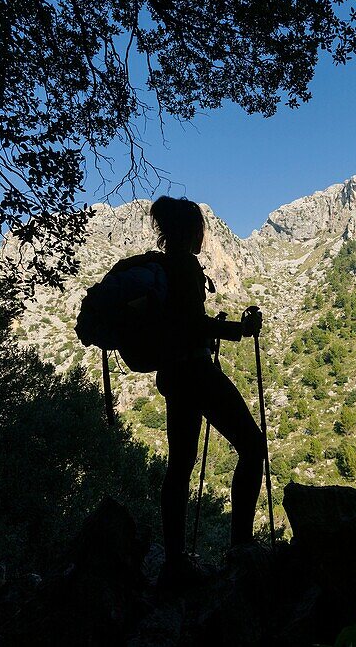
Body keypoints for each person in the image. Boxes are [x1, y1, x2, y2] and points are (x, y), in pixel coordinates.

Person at [148, 196, 265, 587]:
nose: (204, 234)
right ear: (189, 230)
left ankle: (175, 559)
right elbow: (193, 325)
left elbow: (183, 324)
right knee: (252, 446)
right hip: (195, 372)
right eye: (200, 227)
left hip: (174, 375)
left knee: (180, 466)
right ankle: (240, 547)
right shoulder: (184, 265)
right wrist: (238, 330)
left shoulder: (166, 266)